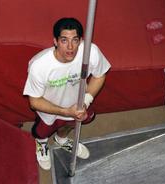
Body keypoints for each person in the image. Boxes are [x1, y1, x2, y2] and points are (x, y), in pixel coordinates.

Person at [23, 17, 111, 170]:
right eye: (64, 40)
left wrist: (86, 101)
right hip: (49, 108)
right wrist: (64, 111)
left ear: (81, 40)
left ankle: (61, 140)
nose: (70, 47)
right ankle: (41, 143)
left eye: (75, 40)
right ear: (55, 41)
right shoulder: (39, 66)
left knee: (70, 124)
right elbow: (34, 101)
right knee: (41, 131)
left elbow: (100, 75)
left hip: (76, 105)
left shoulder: (91, 52)